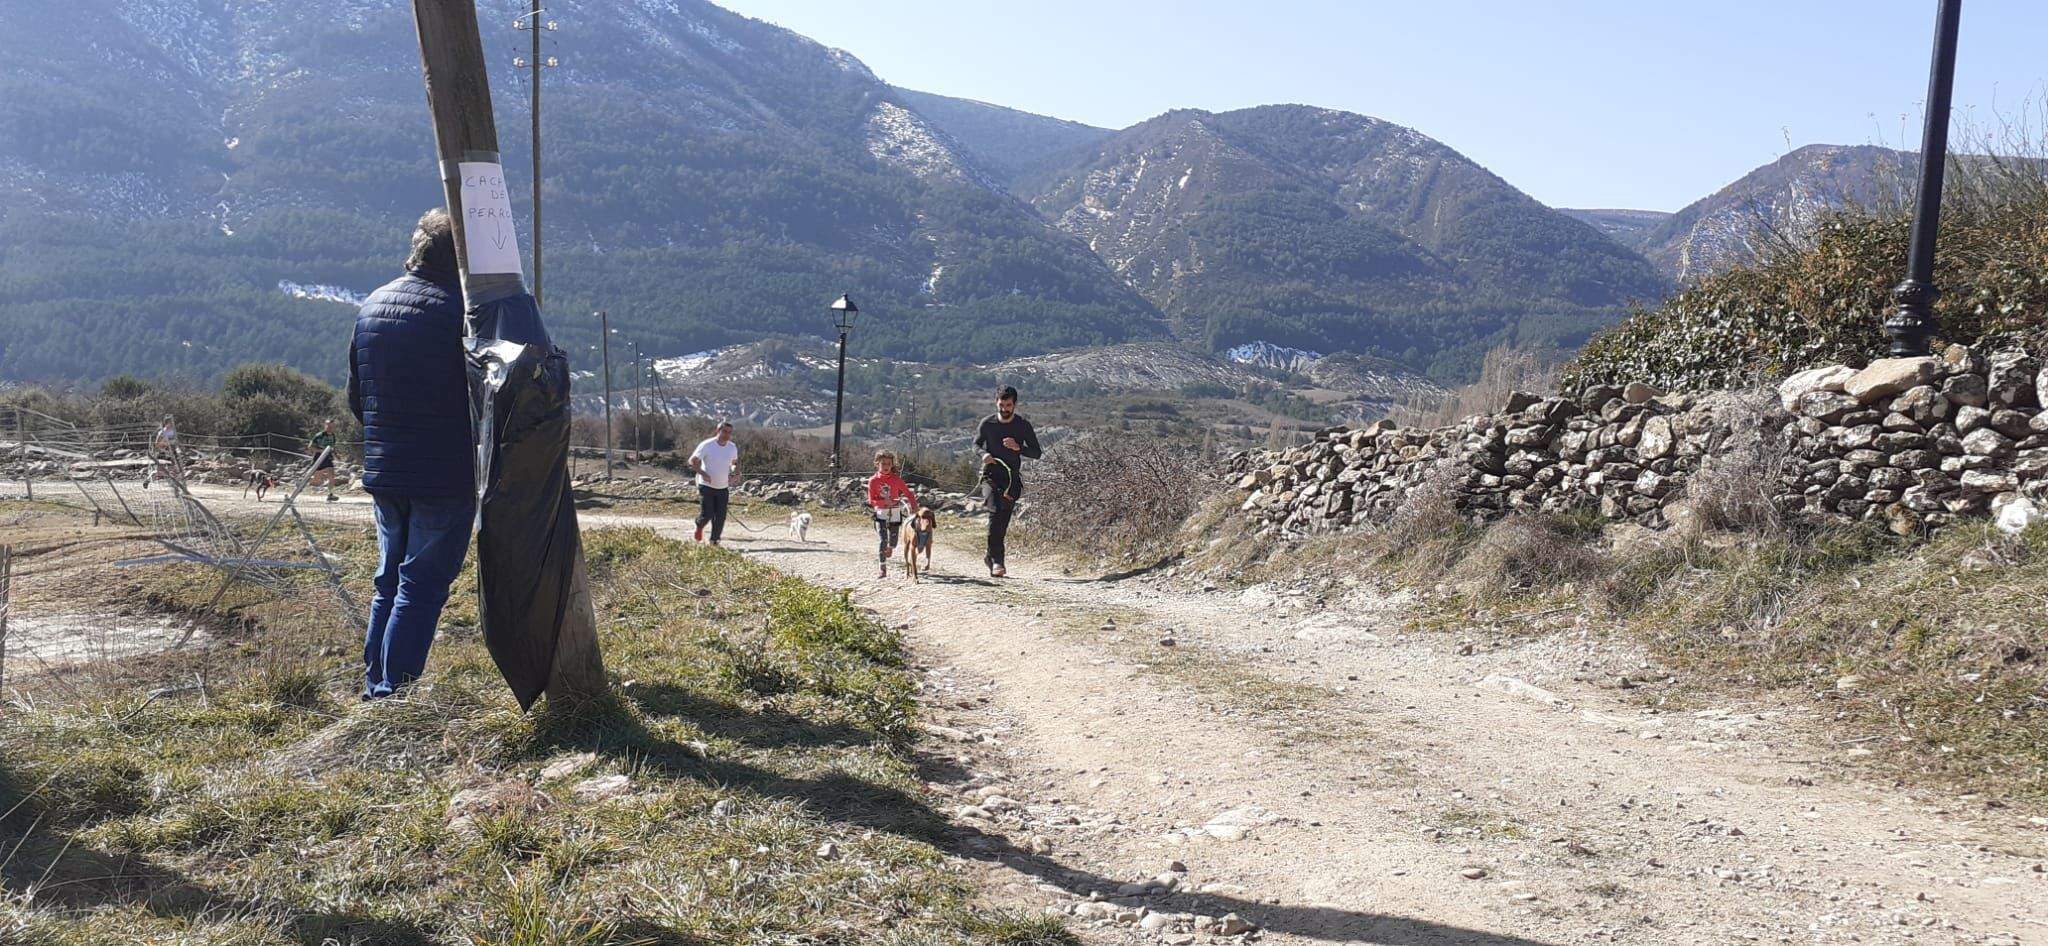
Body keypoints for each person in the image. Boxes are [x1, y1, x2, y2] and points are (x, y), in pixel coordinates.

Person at [346, 208, 476, 700]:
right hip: (443, 473)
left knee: (389, 583)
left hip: (385, 466)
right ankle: (391, 696)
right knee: (421, 587)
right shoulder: (464, 313)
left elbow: (357, 399)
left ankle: (372, 684)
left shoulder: (373, 305)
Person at [973, 386, 1041, 578]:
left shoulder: (1023, 426)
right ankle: (997, 561)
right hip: (990, 476)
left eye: (1008, 405)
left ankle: (990, 555)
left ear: (1015, 405)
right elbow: (975, 444)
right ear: (996, 402)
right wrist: (983, 454)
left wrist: (1018, 447)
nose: (1004, 409)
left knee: (1003, 519)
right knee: (995, 512)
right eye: (1001, 404)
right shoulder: (987, 423)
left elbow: (1036, 452)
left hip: (1011, 479)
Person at [867, 449, 920, 578]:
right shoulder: (873, 481)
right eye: (883, 463)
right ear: (877, 464)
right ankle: (882, 568)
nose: (886, 466)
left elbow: (908, 494)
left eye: (888, 464)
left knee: (894, 541)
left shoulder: (897, 480)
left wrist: (913, 506)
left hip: (895, 512)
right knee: (883, 539)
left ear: (892, 465)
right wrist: (883, 502)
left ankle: (890, 547)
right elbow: (871, 500)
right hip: (880, 513)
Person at [689, 419, 739, 545]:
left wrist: (734, 472)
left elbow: (733, 463)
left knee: (720, 516)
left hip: (723, 487)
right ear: (718, 431)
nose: (727, 435)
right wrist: (703, 474)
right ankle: (699, 526)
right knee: (707, 514)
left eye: (729, 432)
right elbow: (692, 461)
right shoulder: (707, 445)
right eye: (724, 431)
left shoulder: (732, 447)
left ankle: (714, 541)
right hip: (706, 486)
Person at [308, 418, 341, 502]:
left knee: (332, 475)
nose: (329, 427)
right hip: (319, 457)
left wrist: (336, 455)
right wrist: (321, 451)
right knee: (316, 478)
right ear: (325, 426)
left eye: (331, 426)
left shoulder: (333, 436)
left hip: (328, 457)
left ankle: (330, 494)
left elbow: (332, 447)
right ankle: (302, 484)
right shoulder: (319, 435)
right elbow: (310, 447)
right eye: (328, 425)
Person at [144, 415, 177, 489]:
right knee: (161, 470)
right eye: (171, 422)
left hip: (167, 453)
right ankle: (148, 480)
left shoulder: (170, 431)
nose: (172, 423)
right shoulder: (163, 431)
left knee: (172, 469)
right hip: (161, 453)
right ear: (167, 423)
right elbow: (157, 444)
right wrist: (164, 449)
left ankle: (174, 486)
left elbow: (170, 442)